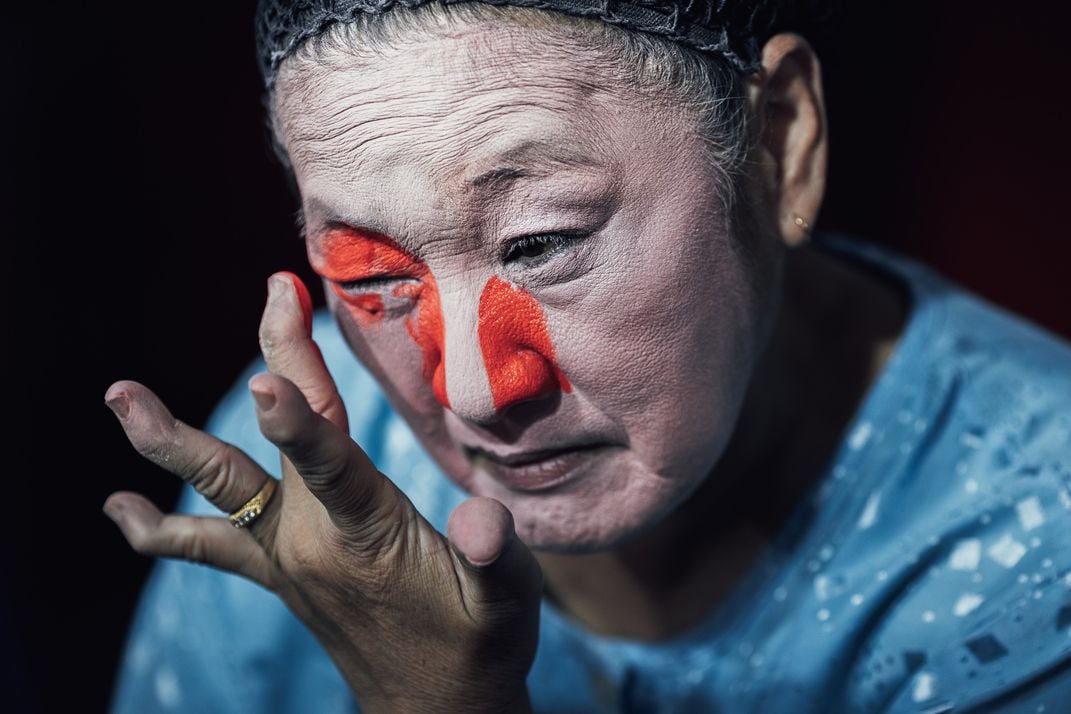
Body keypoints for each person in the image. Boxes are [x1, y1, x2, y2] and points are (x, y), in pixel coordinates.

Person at [103, 1, 1071, 711]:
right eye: (374, 274)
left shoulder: (1039, 548)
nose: (477, 392)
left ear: (780, 143)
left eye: (540, 244)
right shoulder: (315, 461)